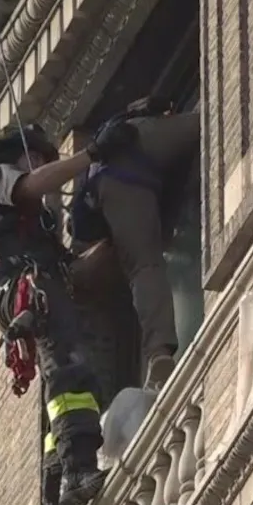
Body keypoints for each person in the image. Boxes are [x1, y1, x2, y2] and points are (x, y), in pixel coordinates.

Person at [0, 121, 139, 505]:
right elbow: (31, 185)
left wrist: (124, 237)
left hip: (33, 288)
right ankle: (77, 470)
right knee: (69, 366)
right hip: (22, 287)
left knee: (65, 368)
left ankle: (56, 476)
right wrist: (92, 153)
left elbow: (76, 272)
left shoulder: (35, 231)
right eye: (36, 157)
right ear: (17, 155)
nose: (40, 165)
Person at [68, 96, 201, 391]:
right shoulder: (96, 214)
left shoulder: (93, 232)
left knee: (143, 267)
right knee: (211, 117)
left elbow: (137, 262)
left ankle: (159, 353)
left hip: (124, 163)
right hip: (137, 144)